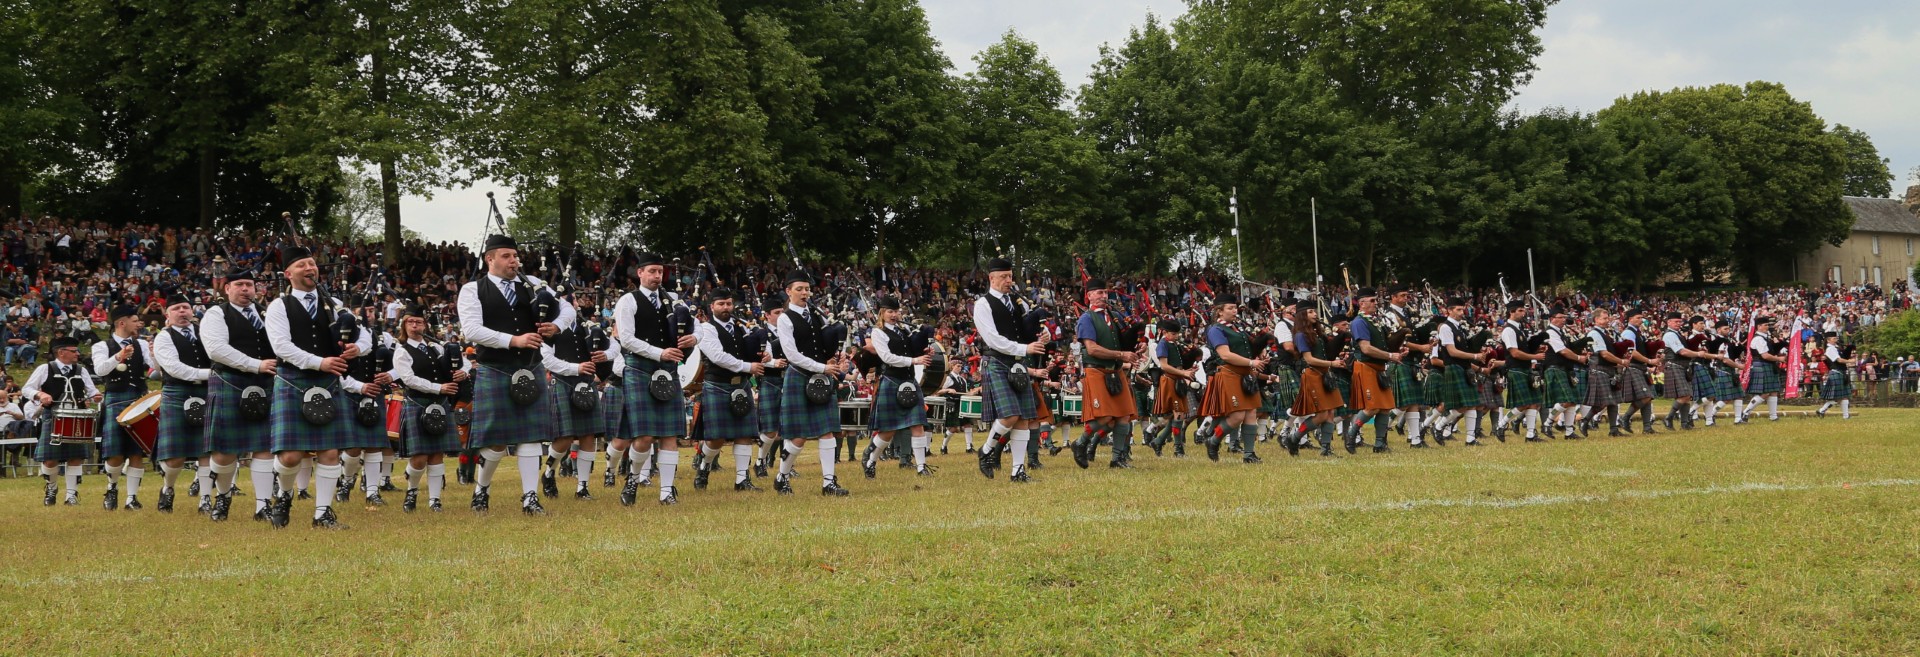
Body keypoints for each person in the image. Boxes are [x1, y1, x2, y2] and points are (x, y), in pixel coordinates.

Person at [456, 234, 572, 515]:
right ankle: (481, 489)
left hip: (530, 368)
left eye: (515, 256)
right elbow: (471, 330)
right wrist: (513, 340)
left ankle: (530, 497)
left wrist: (556, 326)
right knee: (495, 441)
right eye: (506, 256)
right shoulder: (473, 290)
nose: (514, 261)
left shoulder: (532, 284)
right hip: (495, 368)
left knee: (531, 437)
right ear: (490, 259)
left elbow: (567, 308)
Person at [262, 246, 372, 529]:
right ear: (288, 274)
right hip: (293, 380)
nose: (310, 268)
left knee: (330, 452)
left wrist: (357, 348)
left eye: (312, 264)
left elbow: (365, 336)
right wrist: (320, 362)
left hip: (328, 382)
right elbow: (281, 347)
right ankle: (283, 495)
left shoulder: (333, 304)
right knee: (290, 455)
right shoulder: (279, 306)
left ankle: (323, 513)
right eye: (302, 265)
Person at [612, 251, 696, 505]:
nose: (657, 276)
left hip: (667, 371)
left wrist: (694, 338)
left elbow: (698, 325)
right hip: (639, 369)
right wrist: (660, 352)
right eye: (652, 271)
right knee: (645, 436)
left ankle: (667, 491)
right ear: (640, 273)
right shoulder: (628, 301)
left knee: (670, 435)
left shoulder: (673, 300)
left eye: (660, 272)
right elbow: (626, 339)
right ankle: (633, 478)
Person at [199, 266, 278, 522]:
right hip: (229, 382)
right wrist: (256, 364)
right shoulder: (216, 313)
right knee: (224, 451)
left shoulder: (266, 314)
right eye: (240, 285)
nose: (245, 289)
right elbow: (216, 349)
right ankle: (223, 496)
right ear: (227, 288)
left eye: (249, 285)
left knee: (264, 447)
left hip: (265, 383)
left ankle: (263, 505)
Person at [772, 268, 853, 495]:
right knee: (798, 437)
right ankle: (782, 476)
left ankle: (829, 483)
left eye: (807, 289)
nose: (804, 293)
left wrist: (837, 356)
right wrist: (823, 367)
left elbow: (825, 344)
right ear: (789, 292)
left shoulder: (817, 315)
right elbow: (791, 355)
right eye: (799, 289)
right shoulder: (785, 319)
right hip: (799, 376)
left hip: (821, 377)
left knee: (827, 431)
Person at [969, 258, 1049, 482]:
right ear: (991, 278)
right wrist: (1025, 348)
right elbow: (992, 339)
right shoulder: (983, 305)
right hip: (997, 361)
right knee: (1010, 415)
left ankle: (1017, 471)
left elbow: (1026, 332)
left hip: (1017, 363)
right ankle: (986, 450)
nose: (1008, 281)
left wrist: (1043, 335)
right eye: (1003, 277)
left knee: (1022, 418)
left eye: (1010, 276)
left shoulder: (1017, 302)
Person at [689, 287, 770, 491]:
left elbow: (760, 345)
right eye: (721, 304)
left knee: (744, 434)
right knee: (716, 439)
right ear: (712, 307)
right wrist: (748, 366)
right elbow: (718, 357)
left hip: (741, 384)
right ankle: (704, 466)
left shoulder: (741, 327)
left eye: (729, 303)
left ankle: (742, 479)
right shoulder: (707, 329)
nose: (726, 307)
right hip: (718, 385)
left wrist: (765, 354)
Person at [391, 307, 468, 512]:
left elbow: (465, 362)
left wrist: (463, 372)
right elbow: (409, 380)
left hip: (440, 405)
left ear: (425, 325)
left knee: (436, 455)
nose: (414, 325)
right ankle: (412, 491)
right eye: (410, 322)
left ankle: (435, 500)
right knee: (419, 457)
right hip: (418, 403)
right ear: (404, 326)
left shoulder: (437, 348)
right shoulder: (402, 351)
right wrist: (439, 388)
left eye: (418, 322)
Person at [540, 292, 616, 500]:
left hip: (585, 384)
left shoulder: (588, 327)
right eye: (567, 299)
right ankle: (549, 472)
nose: (572, 303)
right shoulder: (549, 328)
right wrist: (577, 367)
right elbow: (546, 360)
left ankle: (582, 487)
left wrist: (605, 355)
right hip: (562, 383)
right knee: (564, 437)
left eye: (573, 299)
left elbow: (615, 346)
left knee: (588, 435)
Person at [91, 304, 158, 510]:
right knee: (115, 453)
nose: (139, 324)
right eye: (135, 320)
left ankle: (132, 498)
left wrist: (156, 355)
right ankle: (112, 488)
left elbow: (156, 368)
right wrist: (119, 356)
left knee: (136, 452)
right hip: (115, 399)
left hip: (139, 400)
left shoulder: (142, 344)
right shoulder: (101, 346)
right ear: (122, 323)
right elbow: (100, 370)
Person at [860, 295, 935, 478]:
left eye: (896, 311)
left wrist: (924, 351)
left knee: (917, 425)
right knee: (888, 431)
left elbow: (910, 351)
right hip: (891, 381)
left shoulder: (903, 330)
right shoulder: (878, 333)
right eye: (890, 312)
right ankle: (871, 461)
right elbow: (887, 358)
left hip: (909, 381)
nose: (894, 315)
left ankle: (921, 467)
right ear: (882, 313)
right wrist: (915, 360)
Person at [150, 293, 210, 513]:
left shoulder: (206, 332)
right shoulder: (163, 337)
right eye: (176, 308)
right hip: (177, 393)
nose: (182, 311)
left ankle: (205, 498)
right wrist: (211, 374)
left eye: (186, 307)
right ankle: (168, 488)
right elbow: (175, 369)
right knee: (175, 457)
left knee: (207, 451)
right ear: (167, 315)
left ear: (192, 311)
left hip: (207, 392)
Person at [1071, 279, 1141, 469]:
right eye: (1099, 292)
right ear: (1089, 296)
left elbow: (1123, 342)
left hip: (1115, 370)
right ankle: (1080, 442)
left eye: (1105, 292)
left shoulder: (1114, 315)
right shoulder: (1086, 319)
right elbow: (1092, 349)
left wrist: (1135, 348)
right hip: (1096, 370)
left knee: (1124, 415)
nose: (1103, 296)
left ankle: (1117, 459)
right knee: (1104, 417)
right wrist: (1121, 355)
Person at [24, 337, 100, 506]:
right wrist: (40, 394)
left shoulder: (81, 370)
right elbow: (26, 389)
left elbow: (92, 391)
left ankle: (71, 495)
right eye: (74, 351)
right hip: (53, 416)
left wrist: (95, 396)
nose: (77, 354)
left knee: (76, 457)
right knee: (50, 459)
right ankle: (51, 488)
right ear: (61, 352)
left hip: (77, 416)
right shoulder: (45, 368)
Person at [1198, 300, 1267, 462]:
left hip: (1245, 374)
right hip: (1229, 373)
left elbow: (1245, 349)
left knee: (1251, 413)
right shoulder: (1215, 329)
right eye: (1230, 308)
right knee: (1237, 416)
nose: (1235, 311)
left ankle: (1249, 454)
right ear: (1220, 311)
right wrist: (1251, 362)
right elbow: (1225, 355)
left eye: (1235, 308)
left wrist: (1259, 353)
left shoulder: (1237, 328)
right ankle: (1213, 440)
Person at [1343, 288, 1399, 453]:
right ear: (1361, 303)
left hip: (1379, 367)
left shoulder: (1375, 321)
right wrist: (1390, 355)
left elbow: (1382, 344)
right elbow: (1366, 348)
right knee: (1372, 407)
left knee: (1385, 407)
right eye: (1372, 300)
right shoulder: (1359, 322)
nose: (1376, 303)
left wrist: (1397, 352)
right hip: (1366, 367)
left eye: (1376, 300)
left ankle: (1380, 444)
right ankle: (1351, 434)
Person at [1148, 319, 1199, 457]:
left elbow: (1177, 364)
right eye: (1173, 334)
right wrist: (1183, 373)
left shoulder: (1174, 344)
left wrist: (1187, 371)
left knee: (1177, 416)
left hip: (1178, 380)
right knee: (1178, 415)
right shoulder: (1163, 344)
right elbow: (1164, 366)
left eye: (1177, 334)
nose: (1176, 336)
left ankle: (1158, 441)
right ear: (1164, 332)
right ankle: (1178, 449)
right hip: (1170, 381)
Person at [1738, 316, 1785, 423]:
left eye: (1768, 325)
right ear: (1759, 326)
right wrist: (1779, 359)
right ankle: (1745, 412)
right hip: (1762, 365)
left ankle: (1773, 416)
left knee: (1773, 391)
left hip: (1767, 366)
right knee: (1765, 393)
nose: (1767, 327)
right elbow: (1765, 355)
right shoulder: (1758, 339)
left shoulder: (1765, 338)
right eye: (1765, 325)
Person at [1816, 332, 1855, 419]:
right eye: (1834, 338)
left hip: (1841, 373)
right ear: (1828, 340)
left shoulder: (1836, 348)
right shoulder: (1830, 349)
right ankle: (1821, 410)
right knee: (1837, 397)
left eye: (1836, 338)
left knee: (1844, 396)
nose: (1836, 340)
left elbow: (1843, 356)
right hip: (1836, 373)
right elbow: (1839, 360)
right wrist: (1850, 361)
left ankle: (1846, 416)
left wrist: (1849, 348)